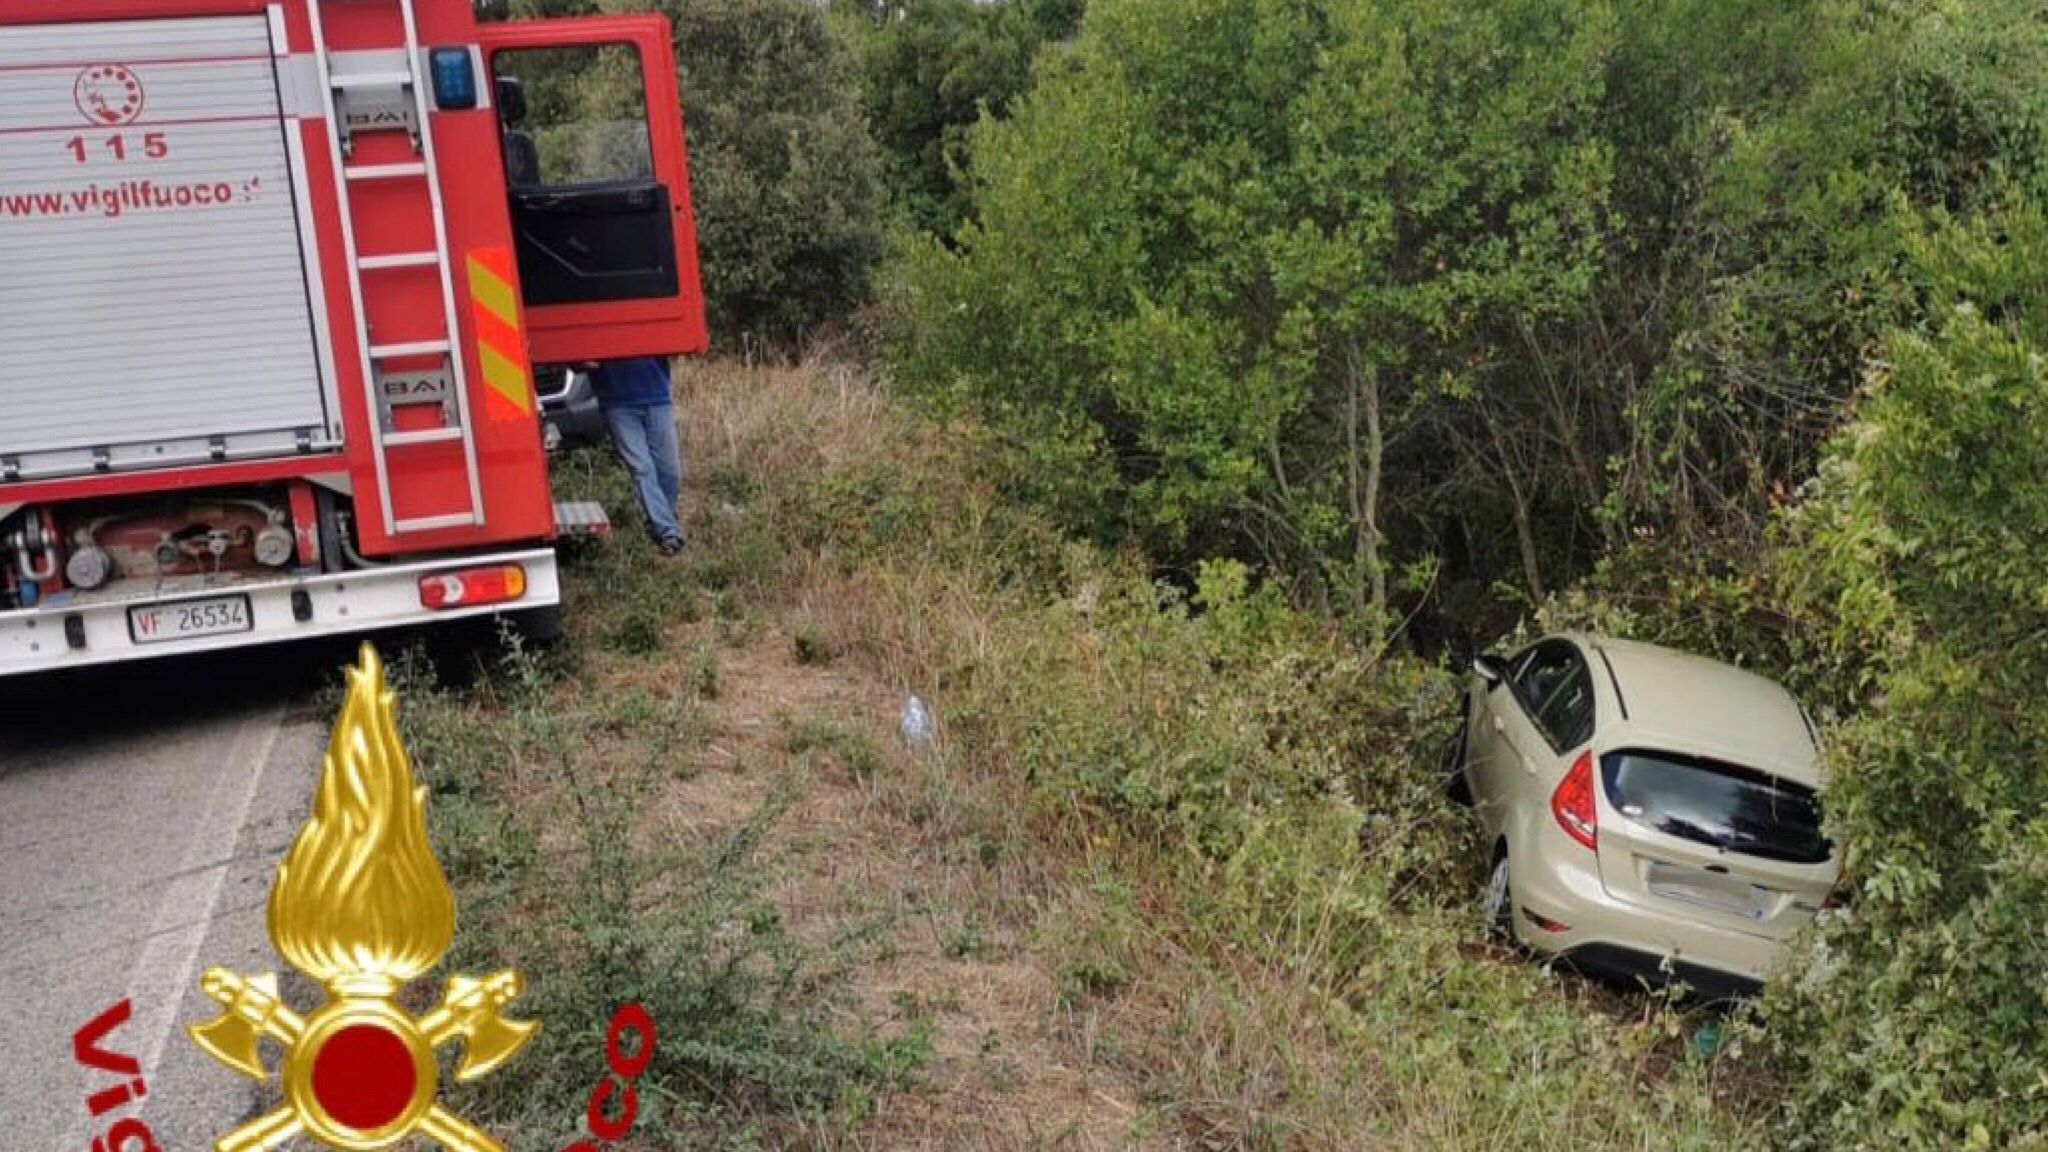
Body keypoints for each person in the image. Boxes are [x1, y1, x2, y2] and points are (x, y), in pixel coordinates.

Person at [585, 357, 684, 554]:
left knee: (670, 471)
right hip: (617, 403)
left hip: (657, 396)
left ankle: (659, 521)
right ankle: (669, 532)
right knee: (641, 468)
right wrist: (582, 362)